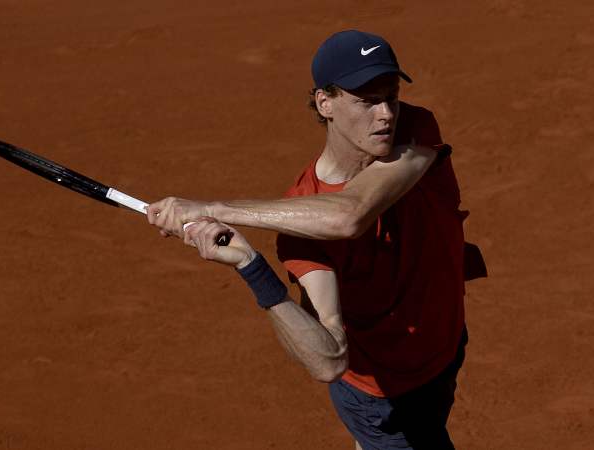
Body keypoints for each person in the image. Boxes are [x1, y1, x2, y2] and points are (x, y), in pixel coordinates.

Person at [152, 29, 473, 450]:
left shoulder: (414, 128)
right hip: (384, 400)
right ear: (325, 103)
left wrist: (214, 208)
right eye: (365, 100)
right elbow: (328, 358)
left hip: (443, 351)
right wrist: (251, 265)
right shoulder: (302, 228)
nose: (385, 114)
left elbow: (351, 213)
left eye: (390, 95)